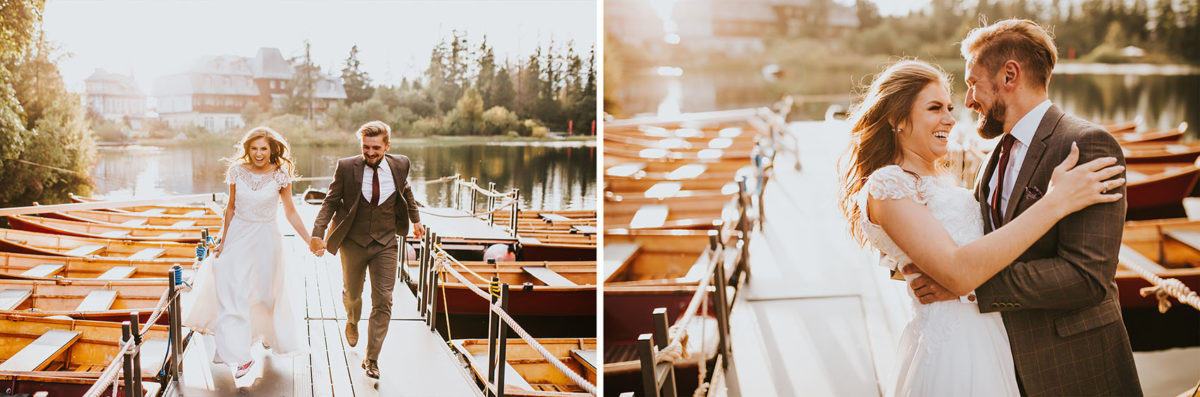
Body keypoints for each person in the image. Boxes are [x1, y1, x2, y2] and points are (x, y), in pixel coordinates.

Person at [837, 59, 1126, 396]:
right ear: (897, 119)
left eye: (948, 107)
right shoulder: (886, 184)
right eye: (934, 108)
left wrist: (936, 275)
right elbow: (958, 272)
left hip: (996, 342)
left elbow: (953, 253)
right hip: (954, 350)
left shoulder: (947, 181)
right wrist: (1055, 202)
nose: (949, 118)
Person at [900, 19, 1142, 396]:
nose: (968, 101)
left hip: (1075, 371)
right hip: (1002, 366)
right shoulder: (997, 151)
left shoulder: (1086, 145)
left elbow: (1087, 277)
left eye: (972, 83)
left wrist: (968, 288)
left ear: (1009, 75)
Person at [184, 126, 310, 378]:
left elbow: (290, 212)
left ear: (272, 149)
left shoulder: (280, 175)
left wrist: (309, 240)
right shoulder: (236, 172)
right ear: (247, 149)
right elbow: (229, 209)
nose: (258, 153)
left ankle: (264, 332)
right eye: (254, 148)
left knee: (264, 296)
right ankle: (239, 357)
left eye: (263, 148)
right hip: (237, 236)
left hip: (266, 238)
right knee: (231, 291)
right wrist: (222, 239)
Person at [309, 120, 424, 379]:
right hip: (353, 241)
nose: (370, 152)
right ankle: (352, 319)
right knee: (352, 294)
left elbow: (406, 190)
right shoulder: (347, 167)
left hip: (385, 242)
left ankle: (371, 359)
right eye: (365, 147)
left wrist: (416, 220)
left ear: (387, 145)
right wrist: (317, 233)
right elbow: (330, 202)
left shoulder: (400, 164)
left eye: (375, 147)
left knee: (383, 299)